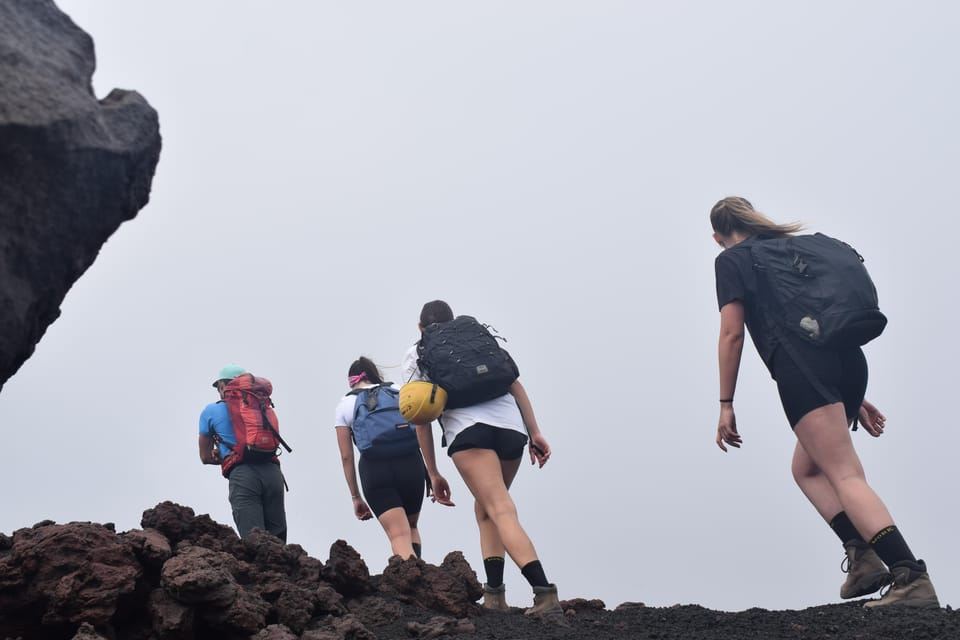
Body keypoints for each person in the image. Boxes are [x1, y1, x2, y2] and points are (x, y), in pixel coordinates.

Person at [710, 196, 938, 608]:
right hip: (848, 364)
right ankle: (863, 555)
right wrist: (854, 396)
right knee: (807, 469)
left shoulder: (733, 260)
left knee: (844, 475)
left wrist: (726, 403)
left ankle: (910, 577)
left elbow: (732, 333)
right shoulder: (785, 249)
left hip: (805, 370)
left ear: (717, 236)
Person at [402, 300, 562, 620]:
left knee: (500, 508)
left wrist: (432, 472)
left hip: (470, 434)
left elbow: (418, 416)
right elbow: (514, 384)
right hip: (511, 430)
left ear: (421, 327)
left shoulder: (418, 350)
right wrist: (535, 433)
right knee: (488, 508)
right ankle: (495, 595)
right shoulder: (477, 339)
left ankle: (544, 594)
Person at [334, 356, 427, 559]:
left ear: (352, 380)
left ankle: (411, 582)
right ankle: (421, 578)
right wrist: (432, 471)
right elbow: (420, 427)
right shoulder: (398, 390)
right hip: (410, 463)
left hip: (375, 470)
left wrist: (355, 496)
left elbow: (346, 456)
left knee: (397, 535)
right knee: (411, 527)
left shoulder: (345, 404)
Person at [198, 364, 288, 541]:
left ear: (224, 386)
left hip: (244, 475)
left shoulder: (211, 410)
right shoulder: (262, 407)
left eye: (218, 387)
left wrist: (220, 455)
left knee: (253, 539)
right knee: (278, 544)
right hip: (273, 473)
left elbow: (205, 456)